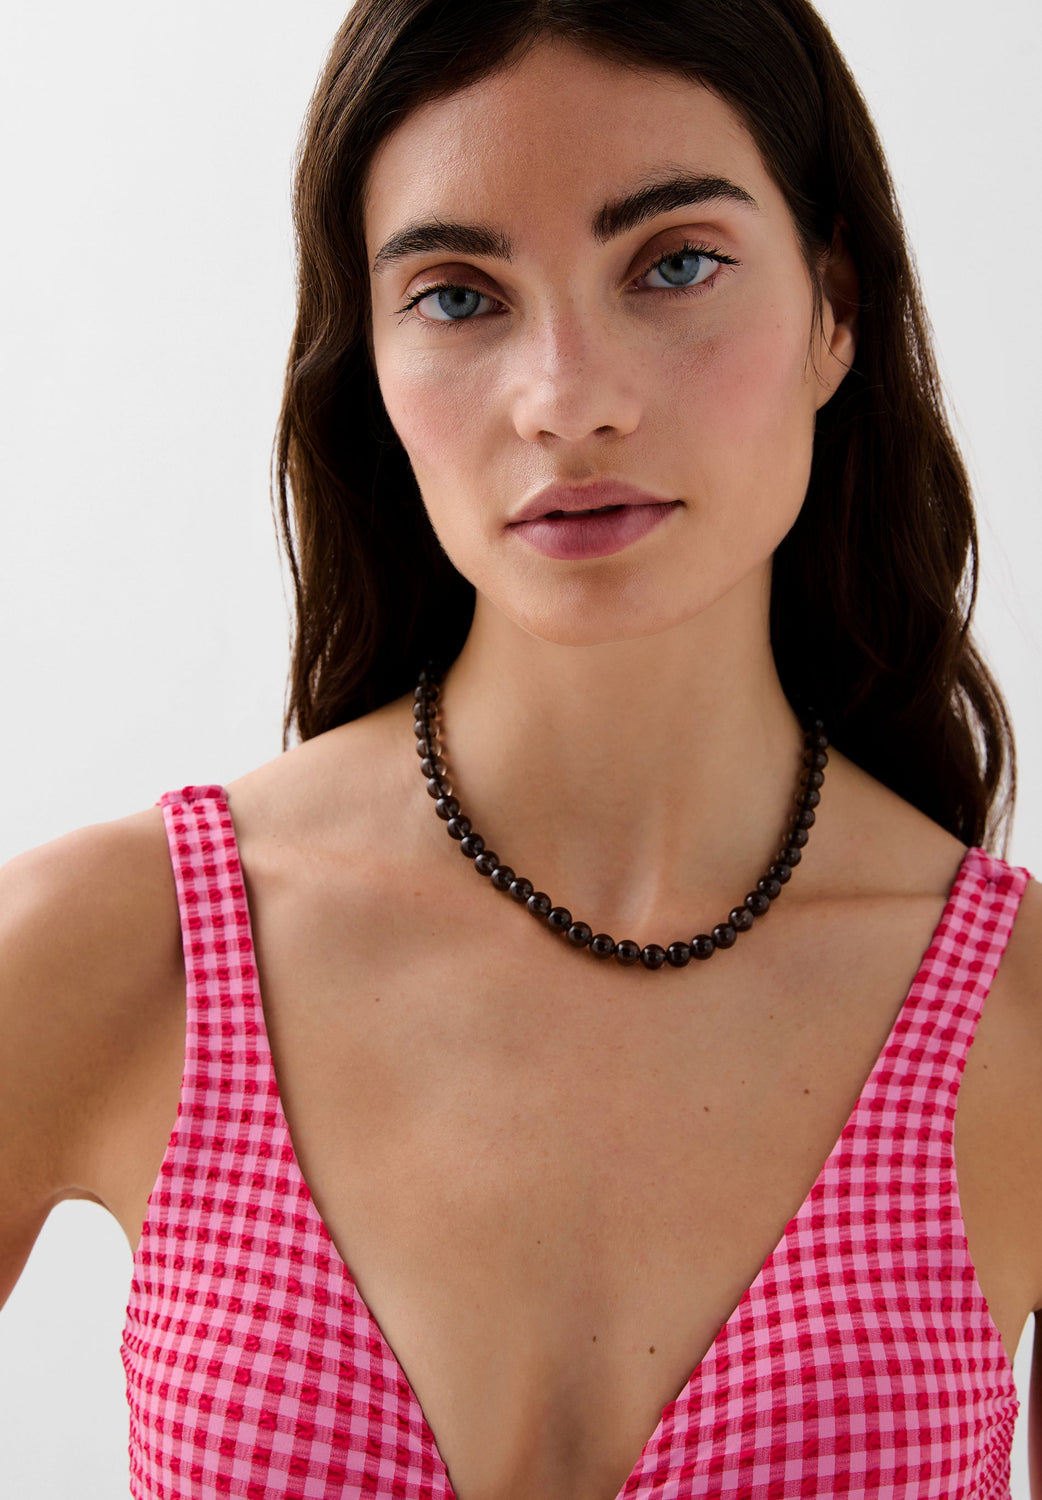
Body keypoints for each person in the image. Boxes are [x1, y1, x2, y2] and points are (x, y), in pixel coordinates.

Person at [2, 0, 1040, 1495]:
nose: (568, 401)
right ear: (368, 355)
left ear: (834, 309)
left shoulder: (1019, 1025)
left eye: (674, 264)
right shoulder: (115, 950)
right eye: (456, 295)